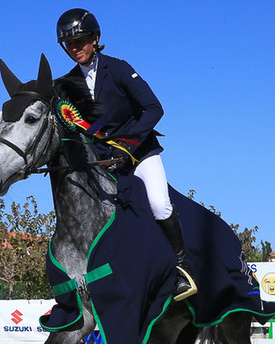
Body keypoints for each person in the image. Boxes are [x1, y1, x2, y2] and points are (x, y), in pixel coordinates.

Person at [55, 8, 197, 301]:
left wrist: (127, 143)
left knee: (158, 205)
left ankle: (182, 270)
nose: (76, 47)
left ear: (95, 38)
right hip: (103, 163)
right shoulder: (67, 84)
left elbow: (154, 109)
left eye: (81, 40)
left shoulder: (118, 69)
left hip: (139, 153)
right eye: (69, 44)